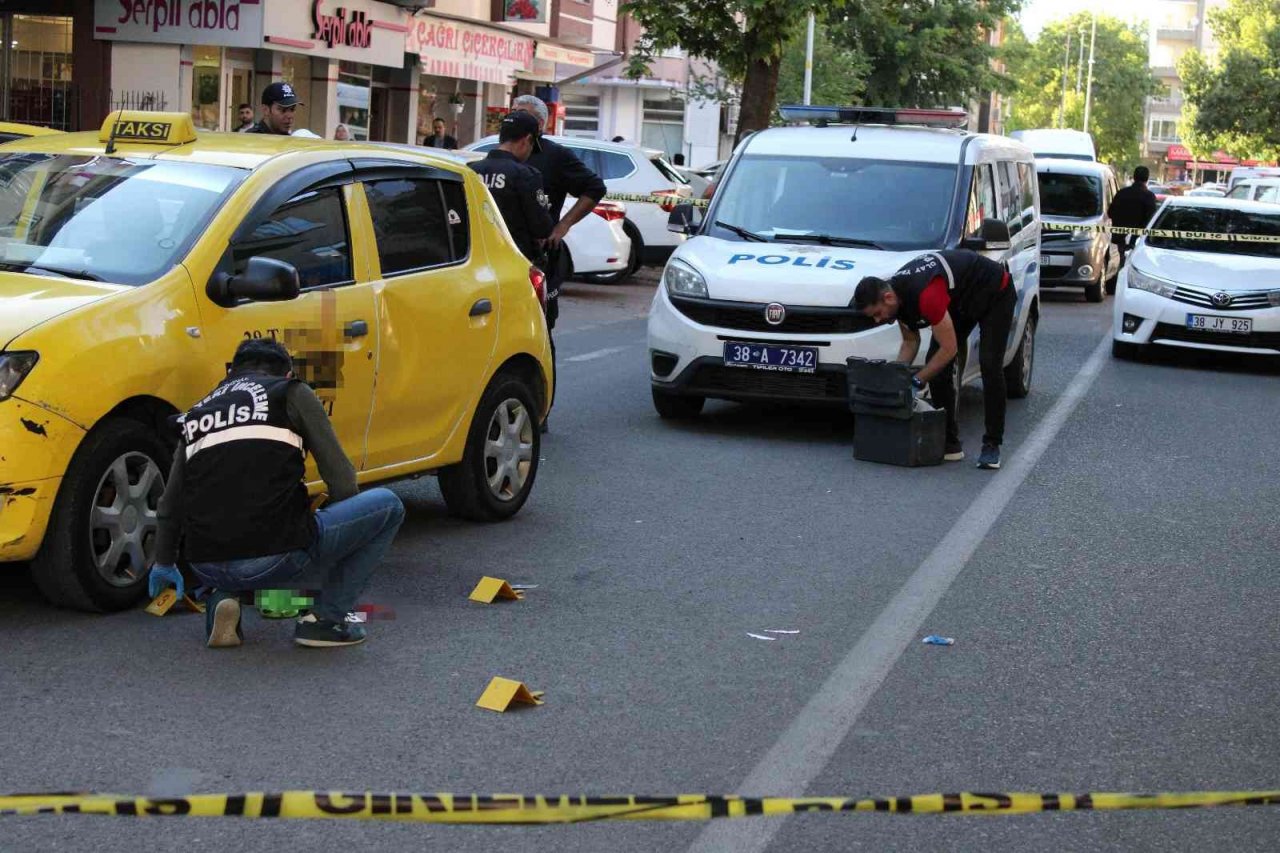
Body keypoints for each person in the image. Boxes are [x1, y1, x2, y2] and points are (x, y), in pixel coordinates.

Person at [151, 339, 405, 649]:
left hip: (205, 564)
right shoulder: (292, 393)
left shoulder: (197, 412)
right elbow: (343, 484)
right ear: (286, 374)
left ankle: (222, 597)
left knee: (239, 546)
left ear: (231, 373)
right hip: (274, 556)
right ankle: (326, 620)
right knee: (388, 507)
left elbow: (170, 504)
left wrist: (163, 562)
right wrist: (327, 543)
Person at [854, 249, 1015, 471]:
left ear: (887, 297)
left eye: (878, 313)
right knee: (936, 366)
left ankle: (992, 445)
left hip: (995, 292)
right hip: (960, 300)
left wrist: (917, 381)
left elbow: (949, 350)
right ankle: (950, 444)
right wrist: (895, 379)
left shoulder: (926, 295)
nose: (878, 320)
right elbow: (910, 342)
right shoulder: (897, 299)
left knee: (989, 364)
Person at [510, 94, 607, 425]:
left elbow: (595, 187)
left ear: (539, 124)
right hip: (499, 257)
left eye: (522, 116)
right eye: (512, 115)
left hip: (540, 259)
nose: (515, 122)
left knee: (540, 330)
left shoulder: (555, 156)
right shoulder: (498, 155)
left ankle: (541, 409)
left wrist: (562, 226)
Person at [468, 111, 553, 263]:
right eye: (532, 145)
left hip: (475, 258)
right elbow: (542, 228)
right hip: (514, 260)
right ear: (527, 140)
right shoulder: (526, 175)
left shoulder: (471, 171)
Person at [1107, 165, 1158, 269]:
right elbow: (1151, 219)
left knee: (1118, 267)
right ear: (1147, 179)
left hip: (1118, 238)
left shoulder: (1121, 193)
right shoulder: (1149, 196)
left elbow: (1110, 212)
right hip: (1139, 240)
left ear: (1134, 177)